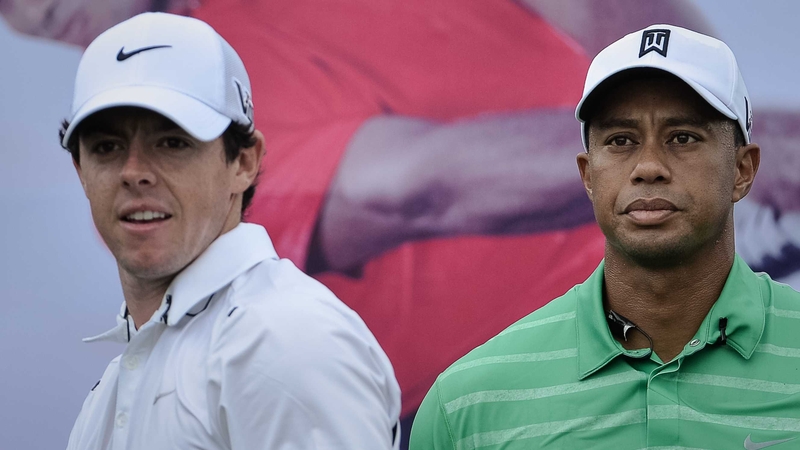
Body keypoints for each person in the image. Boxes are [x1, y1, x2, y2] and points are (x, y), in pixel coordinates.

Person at [4, 0, 800, 442]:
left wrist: (700, 104)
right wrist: (697, 149)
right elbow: (422, 186)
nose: (27, 9)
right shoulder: (203, 151)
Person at [410, 24, 800, 449]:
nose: (648, 167)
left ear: (742, 170)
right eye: (620, 140)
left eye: (682, 137)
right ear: (588, 176)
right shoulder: (468, 406)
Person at [60, 12, 401, 449]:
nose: (134, 172)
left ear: (244, 161)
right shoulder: (117, 384)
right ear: (81, 171)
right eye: (107, 147)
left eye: (173, 142)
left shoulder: (285, 340)